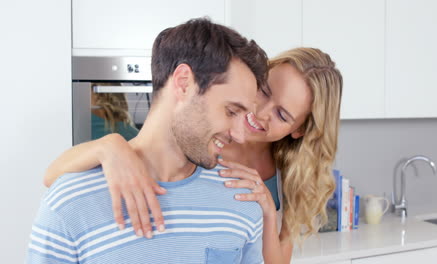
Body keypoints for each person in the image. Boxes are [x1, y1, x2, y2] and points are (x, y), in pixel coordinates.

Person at [43, 47, 343, 263]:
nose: (259, 113)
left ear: (299, 130)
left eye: (281, 114)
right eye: (264, 91)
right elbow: (52, 178)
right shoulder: (203, 135)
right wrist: (108, 146)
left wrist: (266, 212)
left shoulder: (290, 174)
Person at [27, 18, 269, 264]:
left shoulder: (240, 198)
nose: (240, 136)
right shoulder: (70, 203)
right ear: (184, 83)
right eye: (231, 111)